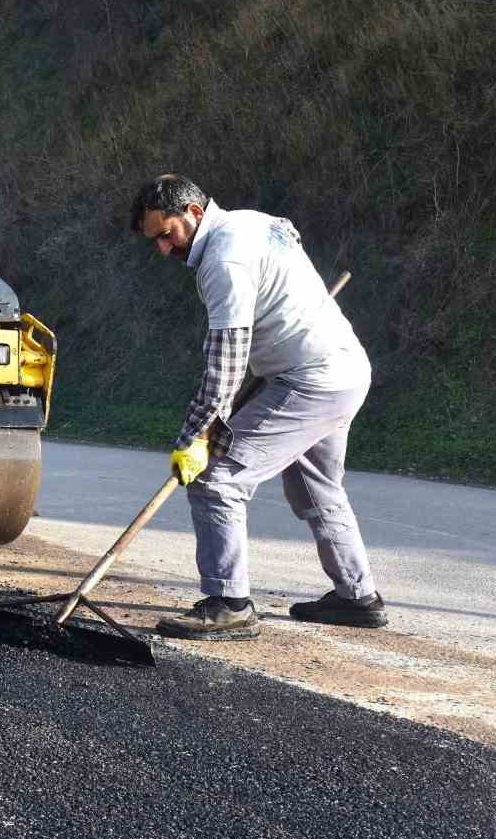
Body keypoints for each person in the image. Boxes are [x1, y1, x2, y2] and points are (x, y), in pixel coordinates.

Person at [130, 174, 388, 640]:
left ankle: (229, 602)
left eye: (166, 234)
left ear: (192, 212)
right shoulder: (254, 223)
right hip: (344, 371)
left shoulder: (223, 260)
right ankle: (357, 597)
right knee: (316, 488)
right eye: (156, 241)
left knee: (216, 478)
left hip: (310, 378)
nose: (164, 250)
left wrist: (197, 434)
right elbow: (290, 241)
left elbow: (226, 360)